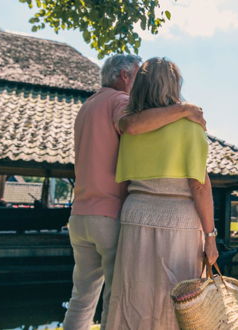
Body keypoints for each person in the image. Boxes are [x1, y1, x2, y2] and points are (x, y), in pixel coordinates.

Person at [63, 54, 206, 330]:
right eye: (138, 76)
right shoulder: (120, 102)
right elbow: (134, 125)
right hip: (109, 214)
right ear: (125, 76)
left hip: (80, 214)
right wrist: (185, 109)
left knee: (81, 298)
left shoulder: (88, 105)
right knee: (117, 299)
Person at [106, 57, 219, 330]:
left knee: (134, 297)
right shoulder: (190, 126)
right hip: (178, 220)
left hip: (135, 215)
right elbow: (199, 186)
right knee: (176, 302)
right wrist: (210, 237)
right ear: (174, 86)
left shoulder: (129, 127)